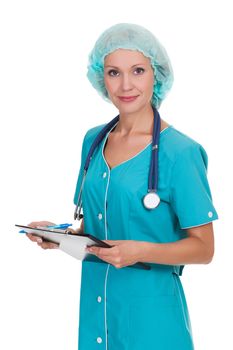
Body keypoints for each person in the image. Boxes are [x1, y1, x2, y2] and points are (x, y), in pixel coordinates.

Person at [27, 23, 218, 349]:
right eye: (114, 72)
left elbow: (204, 248)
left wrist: (140, 250)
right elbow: (96, 228)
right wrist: (59, 238)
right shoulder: (93, 141)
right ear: (101, 78)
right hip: (96, 314)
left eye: (138, 70)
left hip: (152, 322)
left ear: (155, 74)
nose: (126, 84)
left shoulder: (181, 153)